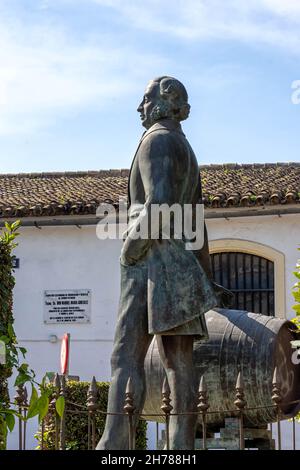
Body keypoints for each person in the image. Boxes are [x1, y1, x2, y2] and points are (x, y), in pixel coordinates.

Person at [97, 76, 231, 450]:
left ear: (163, 102)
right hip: (181, 263)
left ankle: (114, 444)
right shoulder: (185, 148)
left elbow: (158, 205)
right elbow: (195, 222)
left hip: (150, 259)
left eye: (144, 99)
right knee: (179, 364)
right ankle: (181, 447)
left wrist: (130, 249)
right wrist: (205, 274)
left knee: (125, 355)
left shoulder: (156, 140)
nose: (139, 107)